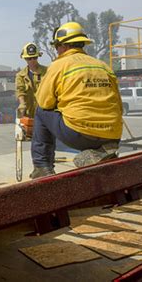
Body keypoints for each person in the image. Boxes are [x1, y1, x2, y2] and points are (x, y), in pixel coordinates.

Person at [30, 22, 122, 179]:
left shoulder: (59, 65)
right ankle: (100, 151)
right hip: (113, 134)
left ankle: (42, 166)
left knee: (40, 111)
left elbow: (45, 102)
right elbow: (119, 105)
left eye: (57, 46)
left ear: (63, 46)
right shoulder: (102, 65)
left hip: (80, 134)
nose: (57, 50)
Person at [15, 43, 47, 118]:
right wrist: (22, 104)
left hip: (46, 113)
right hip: (29, 114)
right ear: (25, 59)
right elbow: (20, 91)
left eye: (34, 57)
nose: (32, 60)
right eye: (29, 58)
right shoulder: (21, 76)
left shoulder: (47, 71)